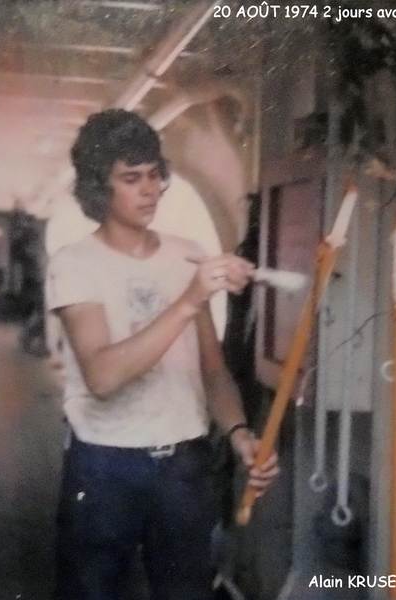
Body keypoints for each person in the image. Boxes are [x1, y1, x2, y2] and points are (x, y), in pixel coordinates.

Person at [45, 109, 279, 599]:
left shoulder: (186, 253)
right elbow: (102, 376)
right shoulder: (74, 263)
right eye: (131, 179)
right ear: (98, 187)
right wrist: (190, 299)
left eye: (155, 175)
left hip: (183, 465)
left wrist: (239, 434)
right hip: (103, 465)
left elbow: (211, 369)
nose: (149, 190)